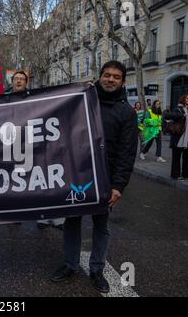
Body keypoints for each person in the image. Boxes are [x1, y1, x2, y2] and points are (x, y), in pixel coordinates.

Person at [50, 61, 138, 293]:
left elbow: (127, 152)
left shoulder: (127, 113)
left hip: (105, 179)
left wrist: (118, 186)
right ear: (99, 77)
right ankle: (70, 264)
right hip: (77, 173)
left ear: (122, 82)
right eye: (107, 75)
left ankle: (97, 269)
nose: (110, 79)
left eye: (116, 77)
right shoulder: (82, 101)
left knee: (101, 225)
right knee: (72, 221)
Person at [164, 93, 188, 181]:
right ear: (184, 99)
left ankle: (186, 174)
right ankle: (175, 175)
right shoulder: (179, 109)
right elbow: (167, 115)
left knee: (187, 157)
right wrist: (181, 115)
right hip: (178, 138)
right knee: (176, 158)